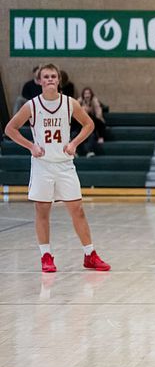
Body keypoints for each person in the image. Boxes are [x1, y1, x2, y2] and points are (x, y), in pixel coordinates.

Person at [3, 63, 110, 272]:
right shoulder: (32, 105)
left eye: (53, 76)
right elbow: (10, 129)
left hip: (64, 165)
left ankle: (90, 254)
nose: (50, 79)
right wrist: (31, 146)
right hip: (42, 166)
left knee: (78, 210)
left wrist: (74, 143)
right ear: (39, 81)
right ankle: (46, 256)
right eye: (46, 76)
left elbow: (89, 124)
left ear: (59, 80)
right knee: (42, 211)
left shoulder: (69, 103)